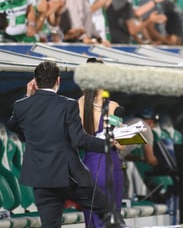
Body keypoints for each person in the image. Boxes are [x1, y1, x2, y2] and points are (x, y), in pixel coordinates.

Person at [6, 61, 124, 228]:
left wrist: (28, 96)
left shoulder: (21, 106)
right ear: (58, 81)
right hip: (69, 176)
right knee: (109, 214)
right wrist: (106, 144)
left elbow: (12, 125)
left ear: (35, 82)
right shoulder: (67, 105)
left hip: (42, 179)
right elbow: (79, 140)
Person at [77, 58, 125, 228]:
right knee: (113, 217)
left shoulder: (79, 104)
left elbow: (77, 139)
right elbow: (120, 145)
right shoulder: (113, 107)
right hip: (110, 165)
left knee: (92, 219)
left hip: (88, 166)